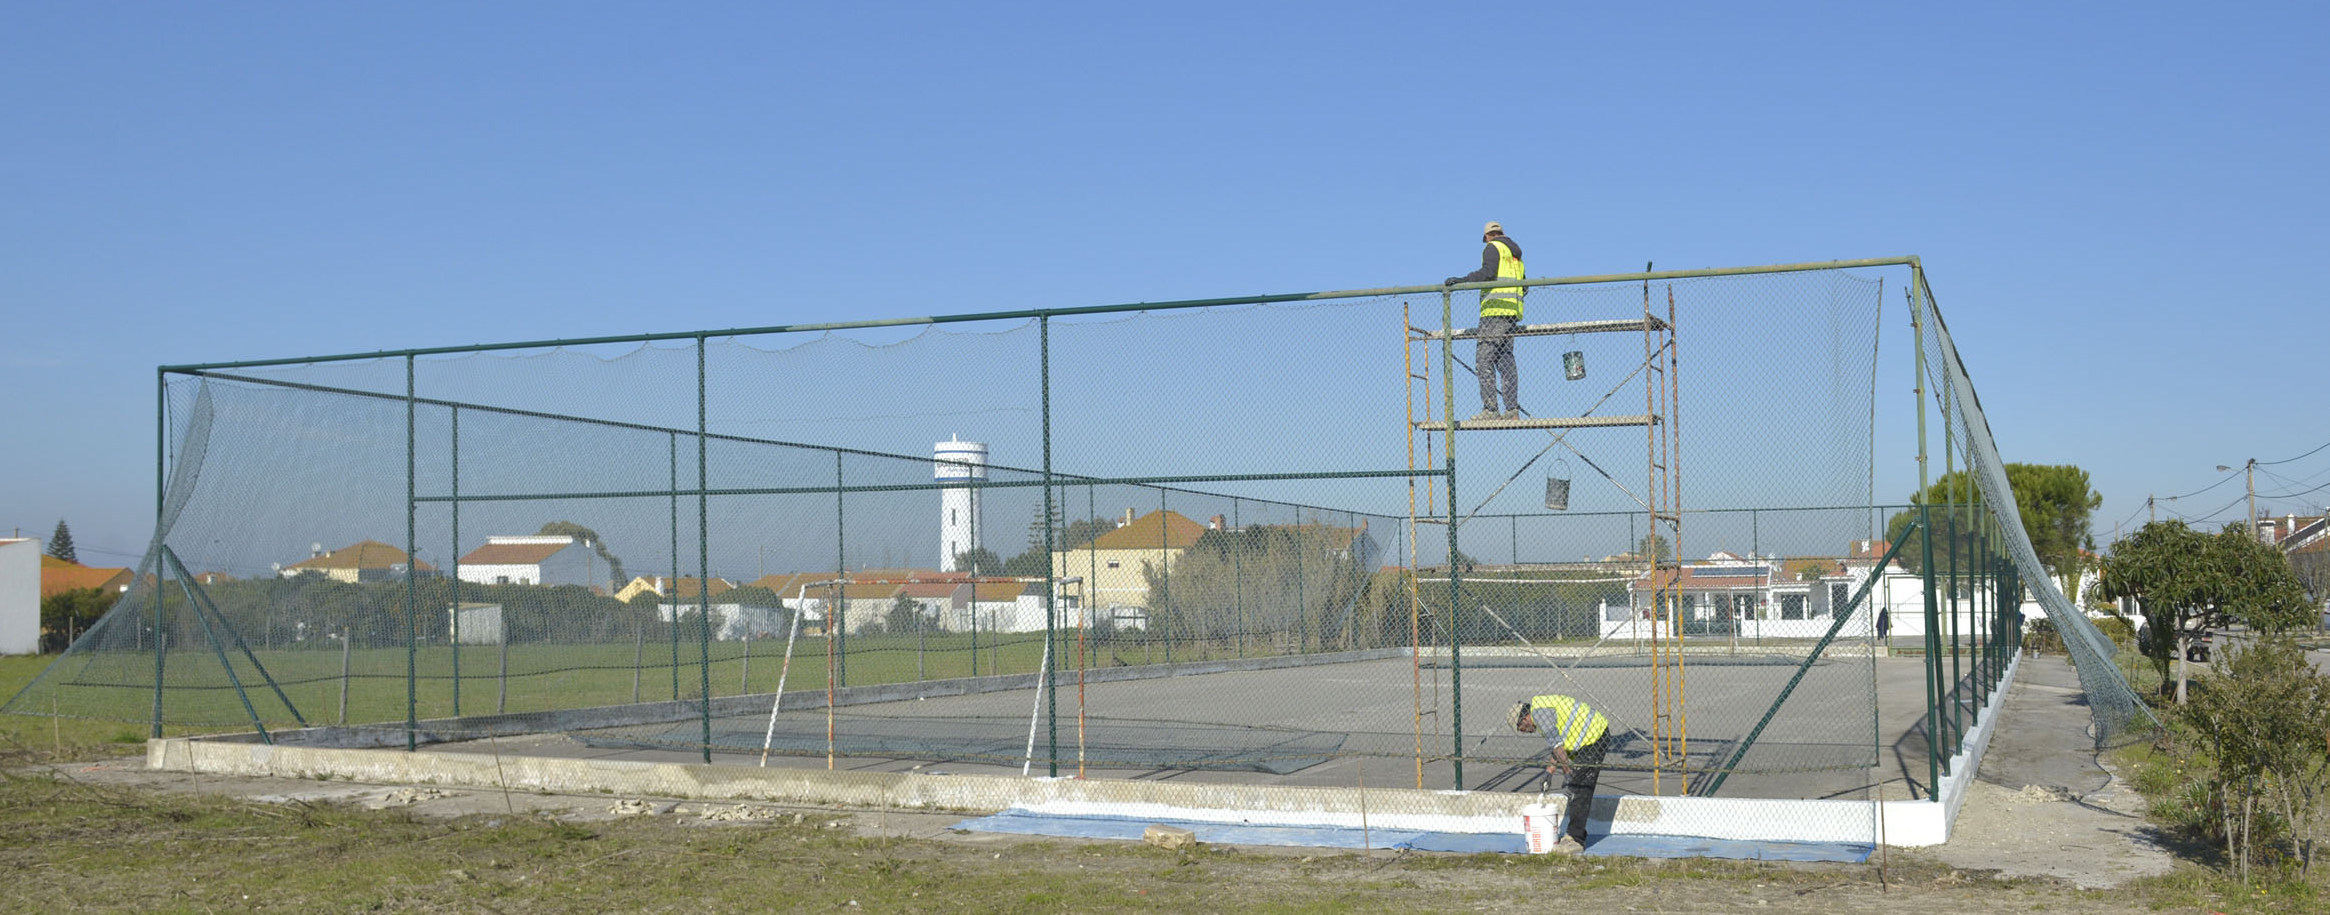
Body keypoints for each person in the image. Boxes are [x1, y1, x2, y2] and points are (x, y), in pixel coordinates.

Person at [1445, 221, 1527, 421]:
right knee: (1506, 360)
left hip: (1494, 311)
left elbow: (1487, 273)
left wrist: (1462, 280)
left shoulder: (1493, 248)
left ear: (1488, 237)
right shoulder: (1515, 256)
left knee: (1483, 360)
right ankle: (1512, 411)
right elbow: (1525, 287)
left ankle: (1490, 410)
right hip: (1511, 313)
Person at [1510, 694, 1606, 852]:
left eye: (1522, 729)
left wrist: (1568, 773)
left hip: (1594, 736)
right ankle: (1574, 835)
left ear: (1524, 719)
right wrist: (1550, 771)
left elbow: (1557, 746)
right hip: (1590, 736)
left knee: (1579, 789)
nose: (1525, 732)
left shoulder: (1540, 715)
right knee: (1578, 787)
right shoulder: (1540, 712)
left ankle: (1575, 840)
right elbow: (1558, 744)